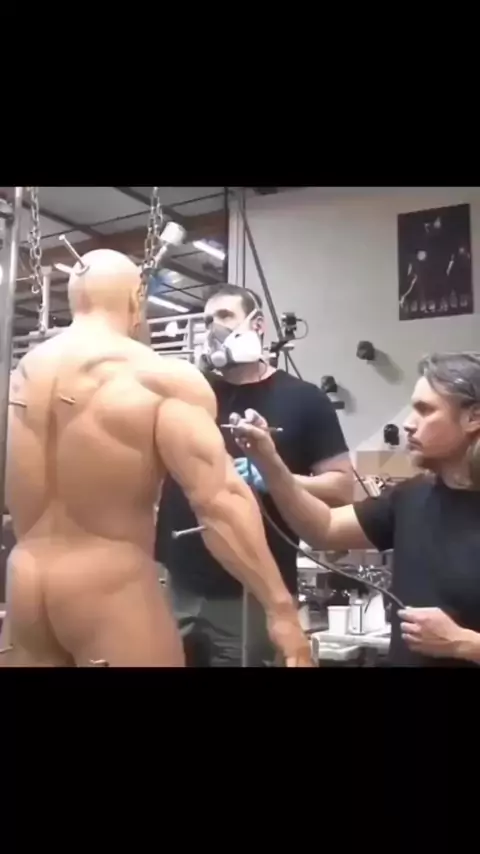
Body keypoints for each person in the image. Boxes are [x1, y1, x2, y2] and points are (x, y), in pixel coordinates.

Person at [0, 250, 311, 667]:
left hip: (24, 584)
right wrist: (281, 609)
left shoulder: (18, 379)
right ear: (136, 299)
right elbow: (221, 503)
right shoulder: (156, 378)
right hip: (108, 589)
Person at [228, 351, 480, 667]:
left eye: (425, 410)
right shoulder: (412, 496)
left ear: (473, 418)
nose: (408, 424)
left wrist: (464, 644)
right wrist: (270, 462)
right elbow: (325, 529)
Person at [156, 284, 353, 666]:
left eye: (225, 316)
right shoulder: (192, 394)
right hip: (178, 583)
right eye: (207, 320)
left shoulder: (304, 399)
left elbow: (342, 488)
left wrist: (276, 477)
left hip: (254, 592)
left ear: (257, 324)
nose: (214, 328)